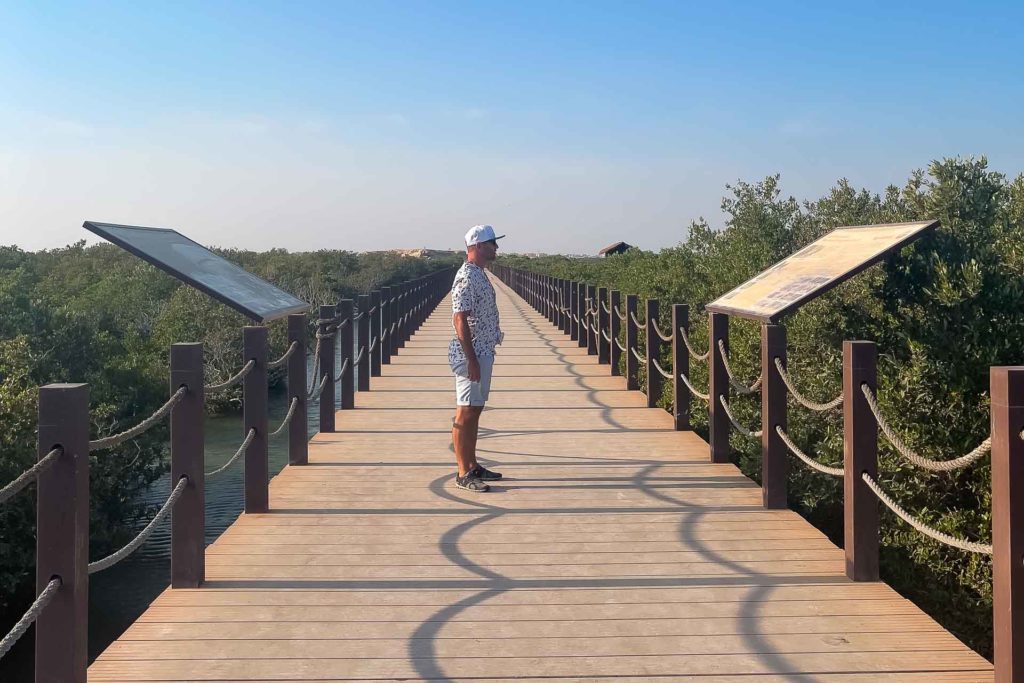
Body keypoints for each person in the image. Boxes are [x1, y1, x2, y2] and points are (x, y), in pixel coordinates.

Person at [449, 224, 505, 492]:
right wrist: (470, 359)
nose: (496, 247)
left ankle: (472, 465)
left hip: (482, 351)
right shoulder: (467, 277)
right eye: (492, 243)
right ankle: (463, 472)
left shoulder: (478, 273)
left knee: (475, 408)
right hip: (471, 353)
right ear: (479, 246)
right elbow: (459, 318)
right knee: (466, 410)